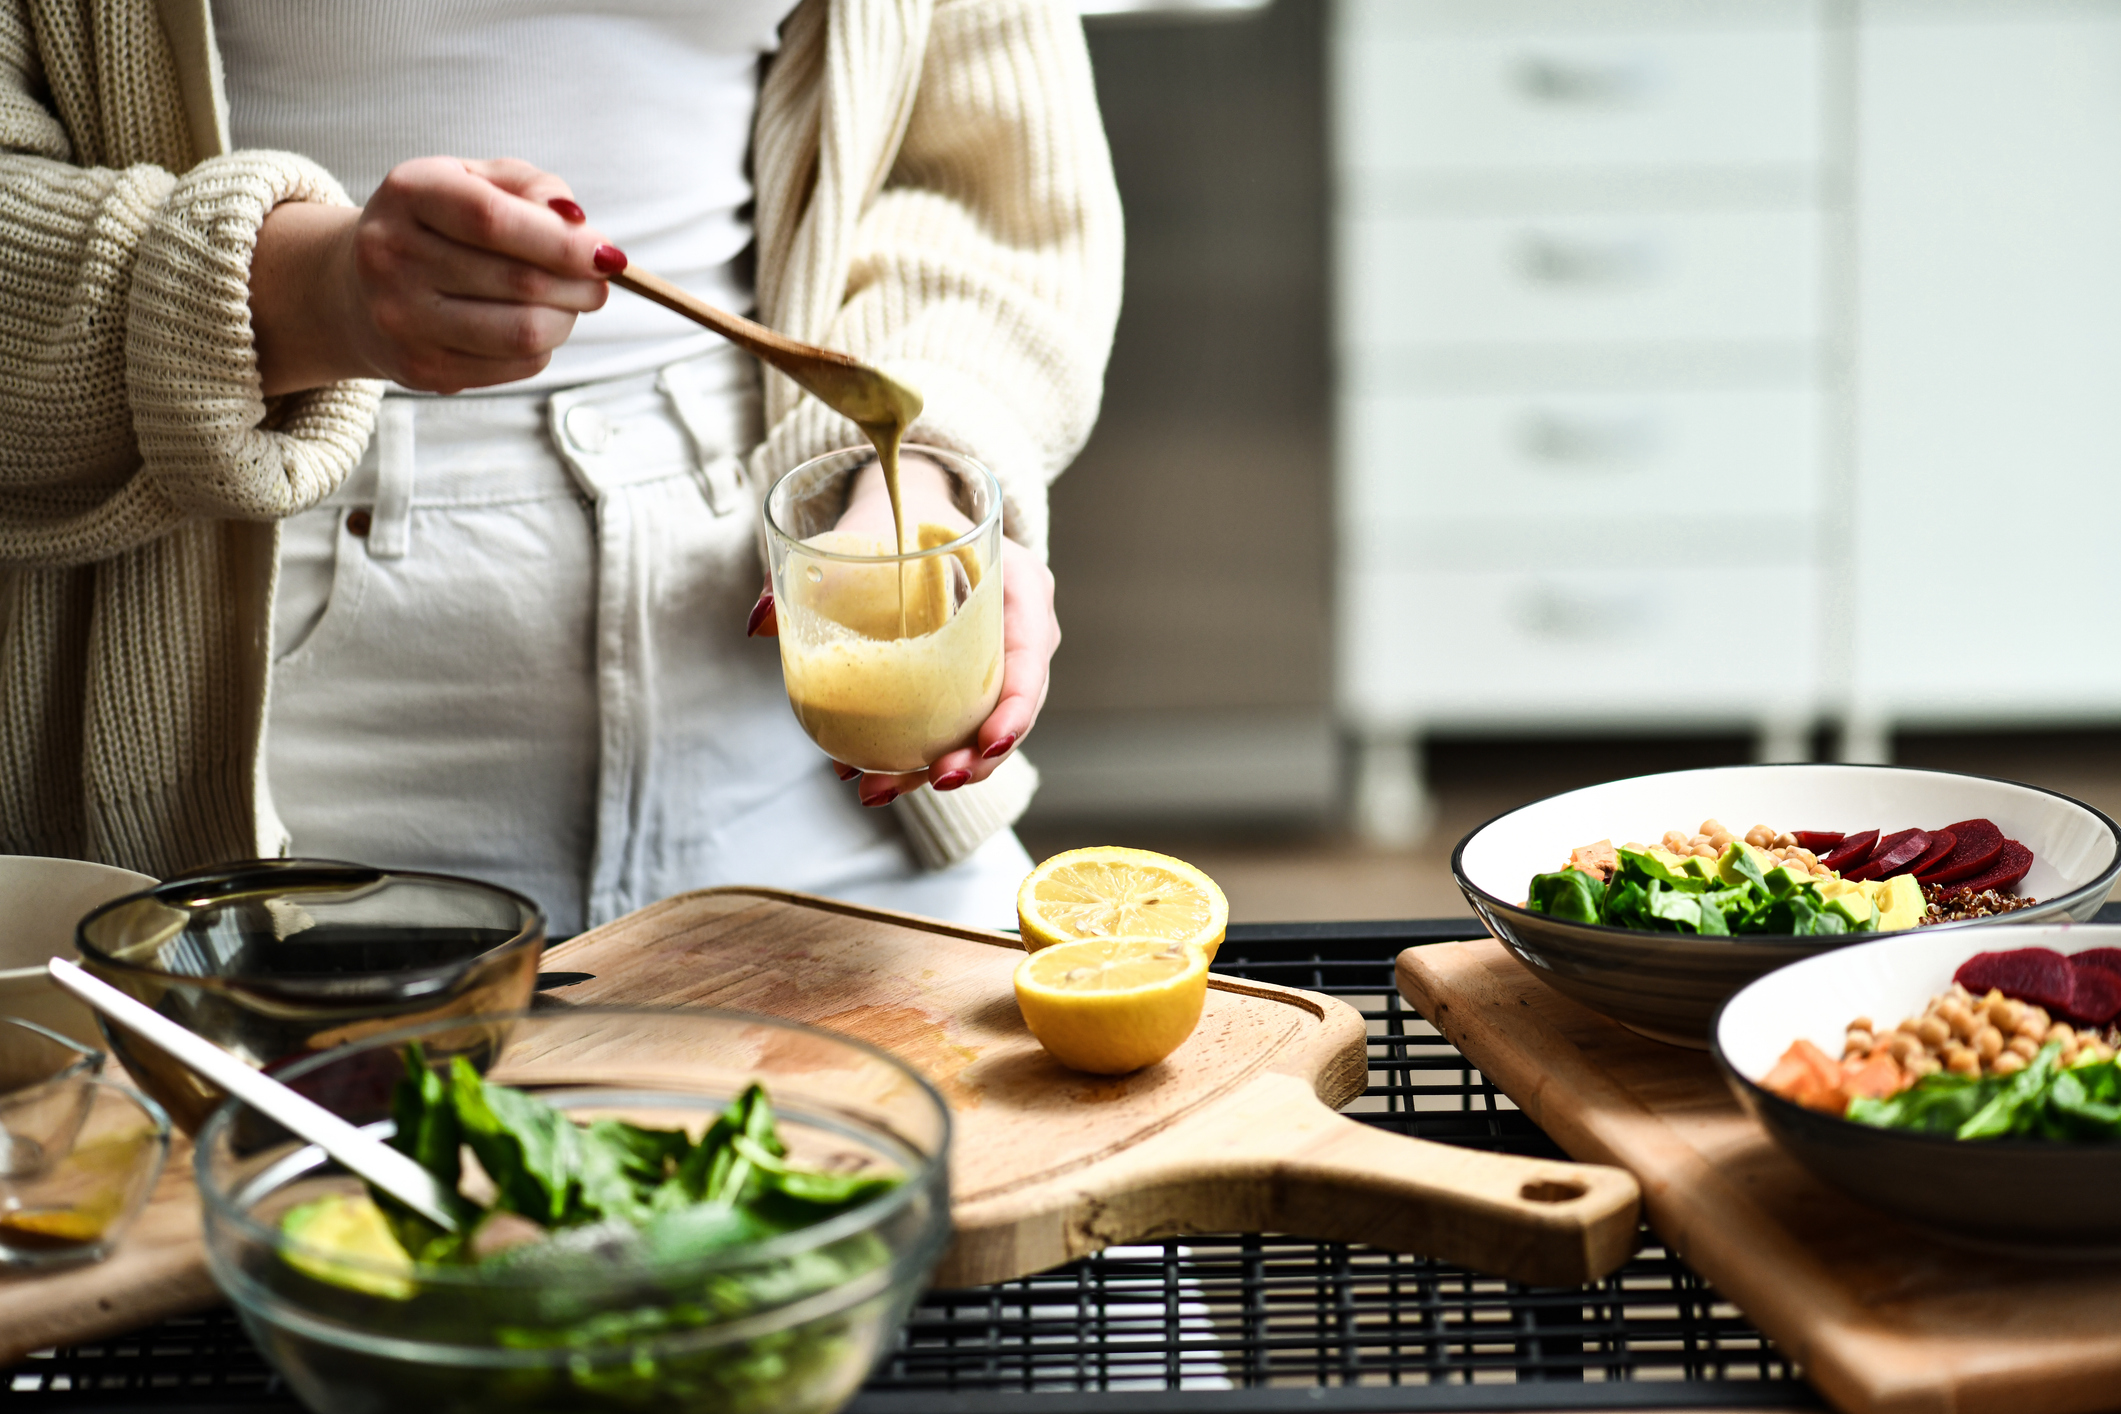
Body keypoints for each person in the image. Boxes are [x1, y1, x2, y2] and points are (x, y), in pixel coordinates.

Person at [0, 0, 1122, 935]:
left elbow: (984, 188)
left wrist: (915, 481)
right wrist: (308, 296)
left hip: (786, 697)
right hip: (240, 731)